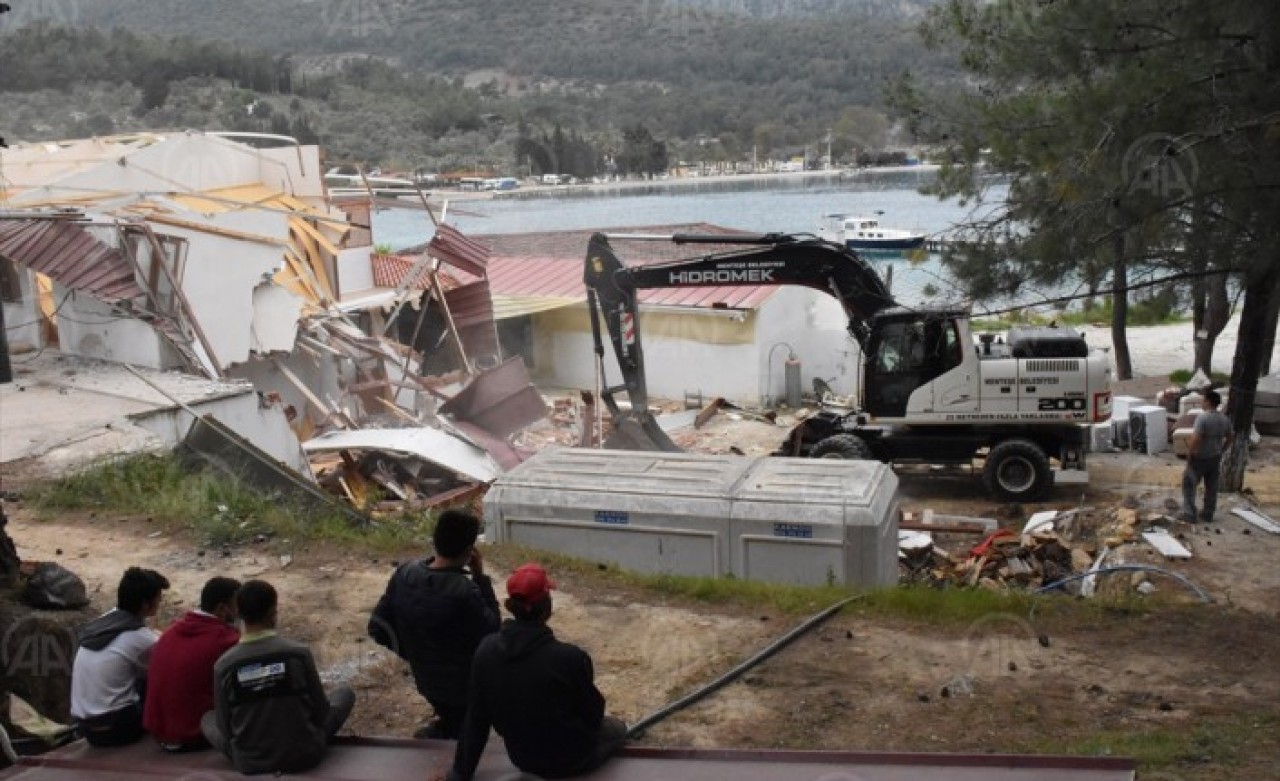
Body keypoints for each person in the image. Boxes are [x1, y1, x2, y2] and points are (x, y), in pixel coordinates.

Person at [442, 563, 627, 781]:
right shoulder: (569, 658)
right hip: (572, 760)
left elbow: (476, 718)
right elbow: (593, 715)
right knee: (617, 728)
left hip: (523, 758)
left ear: (511, 606)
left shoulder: (485, 651)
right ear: (547, 606)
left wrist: (459, 773)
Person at [368, 509, 499, 739]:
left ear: (435, 540)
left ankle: (444, 728)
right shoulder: (464, 590)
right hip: (463, 688)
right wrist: (480, 577)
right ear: (470, 552)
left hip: (426, 681)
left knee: (452, 718)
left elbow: (377, 628)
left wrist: (414, 654)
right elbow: (493, 631)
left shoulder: (404, 574)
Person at [202, 580, 354, 775]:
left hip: (250, 761)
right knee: (344, 694)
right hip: (306, 754)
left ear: (238, 613)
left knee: (208, 719)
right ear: (272, 612)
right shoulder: (299, 653)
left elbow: (225, 727)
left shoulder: (224, 665)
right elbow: (322, 712)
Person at [70, 567, 170, 747]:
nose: (160, 601)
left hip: (85, 728)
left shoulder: (103, 622)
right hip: (117, 728)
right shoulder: (141, 638)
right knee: (162, 676)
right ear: (145, 604)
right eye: (158, 598)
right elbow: (161, 669)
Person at [143, 576, 241, 751]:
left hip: (159, 733)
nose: (240, 613)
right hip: (193, 735)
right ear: (222, 608)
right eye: (237, 607)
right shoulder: (225, 640)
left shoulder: (171, 632)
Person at [1183, 388, 1233, 523]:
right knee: (1211, 487)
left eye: (1203, 400)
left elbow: (1196, 438)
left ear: (1208, 401)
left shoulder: (1203, 418)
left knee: (1189, 484)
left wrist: (1190, 453)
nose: (1201, 402)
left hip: (1200, 457)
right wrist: (1222, 450)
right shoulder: (1224, 419)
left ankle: (1189, 514)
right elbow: (1230, 437)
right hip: (1215, 457)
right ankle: (1208, 513)